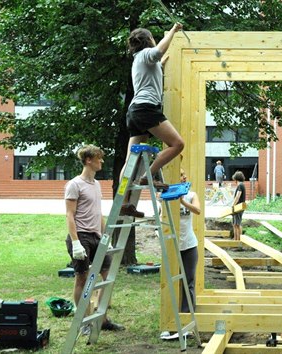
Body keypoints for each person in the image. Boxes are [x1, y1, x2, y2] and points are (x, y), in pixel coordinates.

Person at [120, 23, 186, 218]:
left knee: (129, 160)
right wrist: (174, 30)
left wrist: (163, 64)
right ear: (148, 41)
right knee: (177, 144)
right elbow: (157, 52)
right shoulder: (147, 54)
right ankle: (147, 177)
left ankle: (123, 202)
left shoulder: (139, 60)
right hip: (146, 109)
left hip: (135, 112)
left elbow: (156, 62)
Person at [65, 145, 124, 331]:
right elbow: (69, 215)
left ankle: (102, 319)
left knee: (108, 276)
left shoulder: (97, 185)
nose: (102, 161)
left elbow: (98, 214)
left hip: (97, 237)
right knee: (82, 279)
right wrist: (75, 242)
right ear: (88, 160)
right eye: (99, 158)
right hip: (81, 237)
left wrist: (108, 238)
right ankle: (84, 322)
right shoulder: (74, 184)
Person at [177, 169, 201, 313]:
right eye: (181, 175)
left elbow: (197, 210)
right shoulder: (164, 196)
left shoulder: (191, 195)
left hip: (189, 245)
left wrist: (182, 202)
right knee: (172, 281)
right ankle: (173, 314)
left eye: (185, 174)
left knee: (188, 280)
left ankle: (187, 313)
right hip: (173, 245)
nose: (184, 176)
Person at [231, 171, 246, 241]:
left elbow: (237, 197)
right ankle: (235, 239)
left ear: (236, 179)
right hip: (237, 207)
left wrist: (232, 205)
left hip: (238, 207)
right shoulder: (241, 185)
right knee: (235, 224)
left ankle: (238, 240)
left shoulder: (240, 185)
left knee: (237, 224)